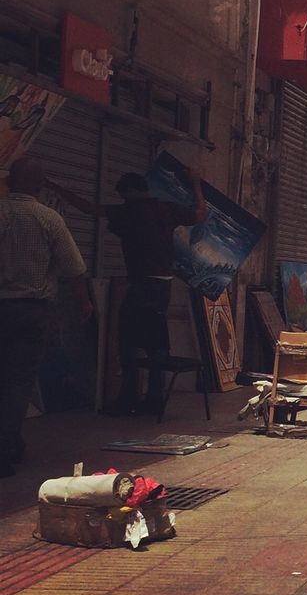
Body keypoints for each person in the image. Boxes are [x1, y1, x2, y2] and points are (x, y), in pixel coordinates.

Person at [56, 163, 206, 415]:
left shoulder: (129, 211)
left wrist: (58, 189)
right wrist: (196, 182)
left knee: (128, 341)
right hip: (164, 285)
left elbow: (90, 209)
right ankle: (154, 398)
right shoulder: (167, 209)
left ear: (127, 191)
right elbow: (200, 213)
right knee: (156, 343)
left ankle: (128, 399)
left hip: (142, 284)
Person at [0, 157, 93, 476]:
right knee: (17, 381)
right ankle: (6, 447)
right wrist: (85, 305)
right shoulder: (48, 219)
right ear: (39, 186)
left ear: (10, 182)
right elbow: (74, 268)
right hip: (31, 311)